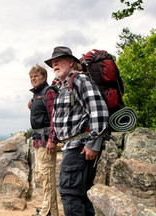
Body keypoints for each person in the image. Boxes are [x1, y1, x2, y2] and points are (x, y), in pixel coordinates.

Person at [44, 46, 109, 216]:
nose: (55, 64)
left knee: (70, 194)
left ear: (71, 62)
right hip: (73, 146)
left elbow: (99, 110)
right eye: (53, 62)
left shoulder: (79, 80)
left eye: (59, 60)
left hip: (79, 146)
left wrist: (94, 142)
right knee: (80, 195)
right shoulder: (63, 86)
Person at [28, 64, 59, 216]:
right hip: (38, 140)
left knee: (47, 177)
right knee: (42, 175)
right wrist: (32, 106)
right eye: (31, 77)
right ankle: (48, 209)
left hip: (46, 140)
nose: (33, 79)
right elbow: (42, 114)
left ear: (44, 77)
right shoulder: (37, 94)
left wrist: (53, 139)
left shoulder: (48, 91)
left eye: (36, 76)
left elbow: (54, 117)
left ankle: (49, 212)